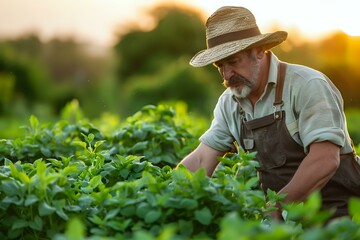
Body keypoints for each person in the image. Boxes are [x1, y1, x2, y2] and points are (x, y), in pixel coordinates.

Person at [176, 6, 360, 221]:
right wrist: (164, 189)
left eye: (234, 62)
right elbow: (201, 160)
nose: (227, 75)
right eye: (220, 66)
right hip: (282, 216)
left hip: (338, 211)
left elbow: (325, 159)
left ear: (259, 51)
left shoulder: (307, 85)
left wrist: (276, 208)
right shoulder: (230, 103)